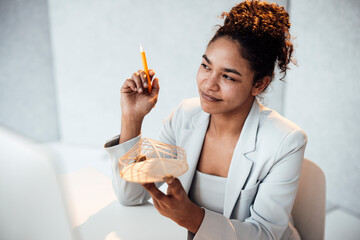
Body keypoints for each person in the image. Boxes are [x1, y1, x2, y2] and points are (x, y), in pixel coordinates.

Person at [104, 1, 307, 239]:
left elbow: (265, 234)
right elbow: (130, 196)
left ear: (259, 84)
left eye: (228, 77)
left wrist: (193, 218)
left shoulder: (286, 141)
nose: (209, 85)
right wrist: (132, 118)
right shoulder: (184, 115)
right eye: (205, 66)